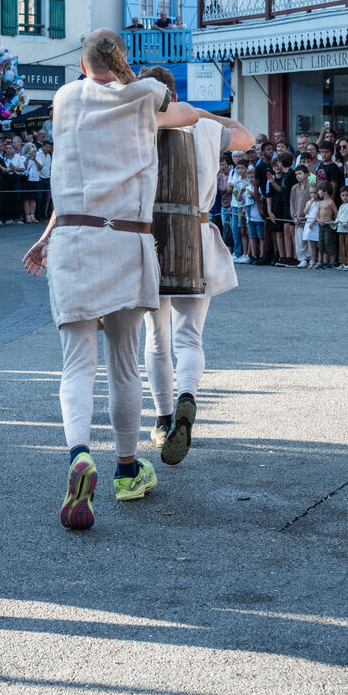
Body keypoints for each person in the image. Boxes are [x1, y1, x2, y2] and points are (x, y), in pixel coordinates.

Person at [22, 29, 201, 531]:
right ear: (124, 59)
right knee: (124, 363)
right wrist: (142, 85)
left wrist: (45, 236)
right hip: (126, 240)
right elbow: (184, 113)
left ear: (82, 65)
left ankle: (79, 453)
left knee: (76, 364)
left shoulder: (63, 98)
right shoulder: (146, 95)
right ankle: (126, 469)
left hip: (72, 238)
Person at [137, 66, 254, 467]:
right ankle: (187, 394)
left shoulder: (139, 124)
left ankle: (162, 418)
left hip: (151, 235)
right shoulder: (203, 126)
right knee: (189, 339)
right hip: (195, 233)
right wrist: (201, 113)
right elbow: (246, 136)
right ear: (174, 95)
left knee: (156, 338)